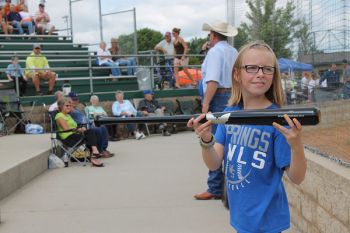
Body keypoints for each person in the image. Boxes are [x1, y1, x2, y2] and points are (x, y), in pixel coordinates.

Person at [187, 41, 307, 232]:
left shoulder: (277, 120)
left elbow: (297, 177)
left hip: (267, 220)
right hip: (241, 216)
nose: (260, 74)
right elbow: (214, 163)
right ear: (237, 74)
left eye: (267, 69)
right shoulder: (229, 114)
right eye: (251, 68)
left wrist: (296, 145)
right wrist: (207, 140)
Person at [194, 20, 238, 201]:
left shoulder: (214, 52)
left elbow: (212, 81)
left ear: (212, 36)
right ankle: (228, 185)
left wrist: (205, 105)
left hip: (218, 98)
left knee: (214, 141)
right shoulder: (234, 52)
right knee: (230, 140)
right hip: (232, 96)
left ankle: (214, 187)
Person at [55, 98, 103, 167]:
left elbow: (74, 126)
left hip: (74, 135)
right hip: (68, 138)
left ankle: (94, 154)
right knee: (89, 134)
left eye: (69, 105)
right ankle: (94, 154)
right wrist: (78, 129)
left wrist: (80, 128)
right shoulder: (59, 116)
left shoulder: (68, 115)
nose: (69, 107)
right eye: (67, 106)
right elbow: (66, 129)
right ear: (61, 107)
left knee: (90, 132)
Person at [68, 92, 114, 158]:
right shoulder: (69, 109)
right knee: (98, 130)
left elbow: (85, 118)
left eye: (77, 99)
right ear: (69, 100)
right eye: (74, 100)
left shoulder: (77, 109)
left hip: (87, 124)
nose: (76, 101)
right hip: (81, 127)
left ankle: (103, 149)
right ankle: (100, 150)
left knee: (102, 127)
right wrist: (70, 107)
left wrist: (91, 122)